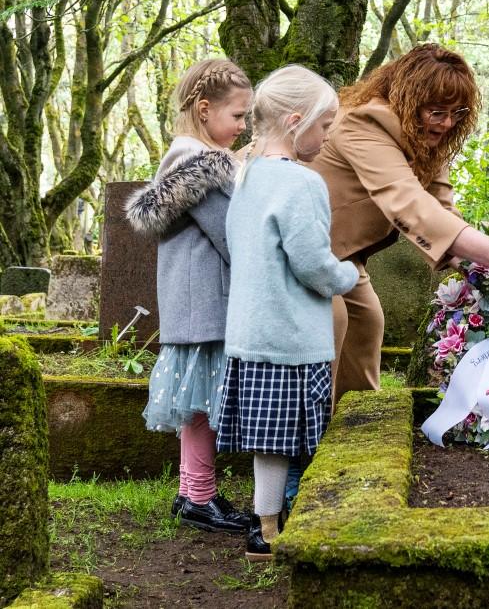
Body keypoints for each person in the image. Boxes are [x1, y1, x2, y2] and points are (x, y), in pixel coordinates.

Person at [307, 43, 489, 401]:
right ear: (409, 100)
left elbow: (441, 209)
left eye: (457, 112)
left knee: (366, 325)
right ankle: (305, 437)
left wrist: (482, 274)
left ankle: (352, 428)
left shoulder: (425, 135)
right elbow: (410, 205)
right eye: (437, 111)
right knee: (331, 323)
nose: (447, 122)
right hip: (300, 249)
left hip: (341, 255)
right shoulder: (364, 122)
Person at [216, 65, 359, 562]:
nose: (328, 135)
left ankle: (264, 524)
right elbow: (312, 263)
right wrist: (347, 277)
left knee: (269, 440)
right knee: (293, 437)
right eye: (325, 125)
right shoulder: (302, 183)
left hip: (250, 329)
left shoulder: (247, 175)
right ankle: (275, 526)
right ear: (296, 120)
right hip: (293, 335)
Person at [125, 58, 252, 533]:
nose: (243, 127)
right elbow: (232, 237)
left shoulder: (190, 158)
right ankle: (200, 496)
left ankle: (190, 492)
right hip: (206, 301)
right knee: (201, 404)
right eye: (237, 116)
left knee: (198, 401)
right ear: (204, 109)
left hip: (195, 300)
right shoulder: (201, 166)